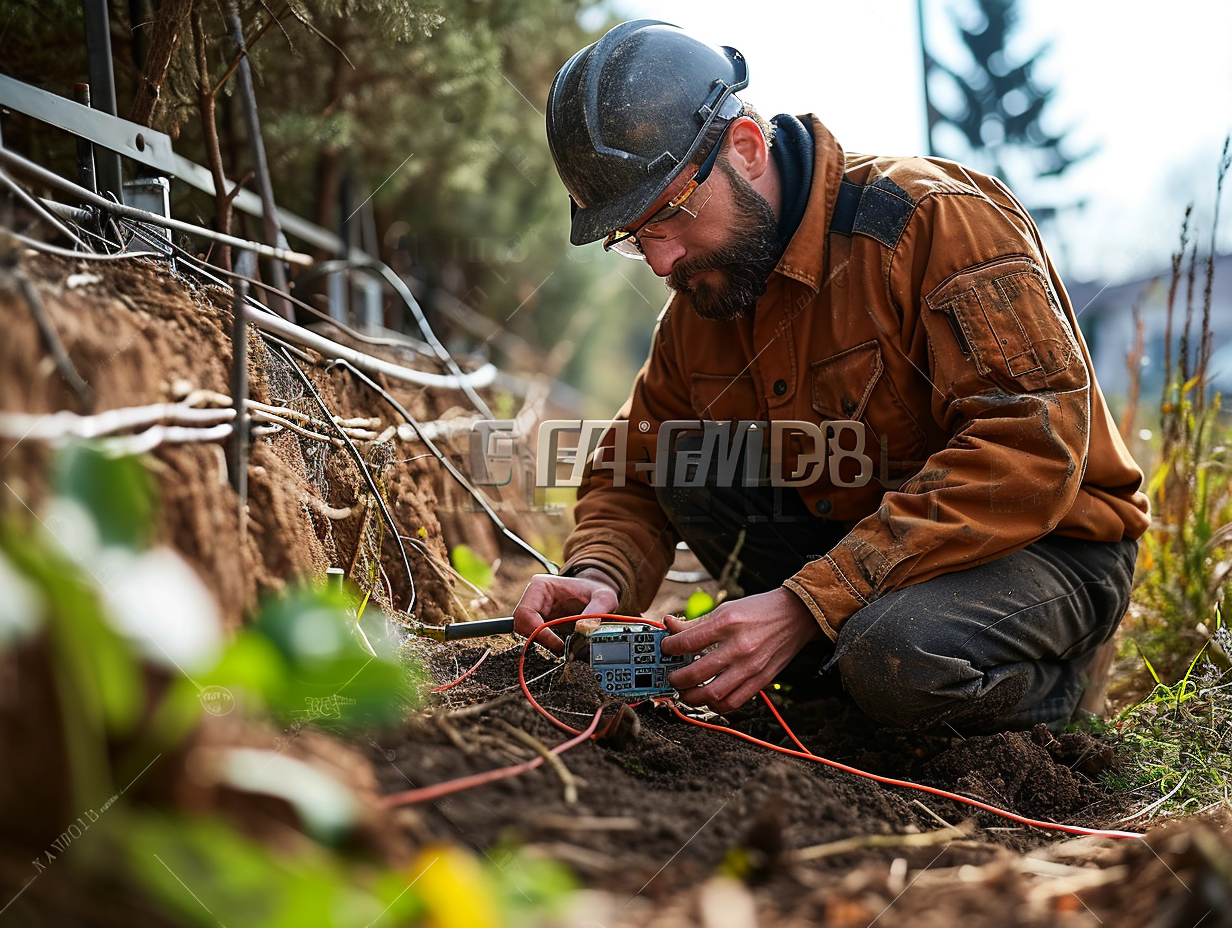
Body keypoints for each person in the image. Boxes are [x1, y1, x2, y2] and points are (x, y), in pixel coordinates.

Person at [512, 20, 1150, 732]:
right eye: (635, 238)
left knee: (894, 655)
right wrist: (599, 576)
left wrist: (804, 604)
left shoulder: (934, 222)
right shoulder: (707, 292)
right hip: (865, 552)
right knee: (687, 461)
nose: (662, 262)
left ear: (745, 149)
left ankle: (1050, 689)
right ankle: (836, 672)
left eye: (672, 214)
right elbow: (634, 467)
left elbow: (1032, 451)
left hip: (1046, 549)